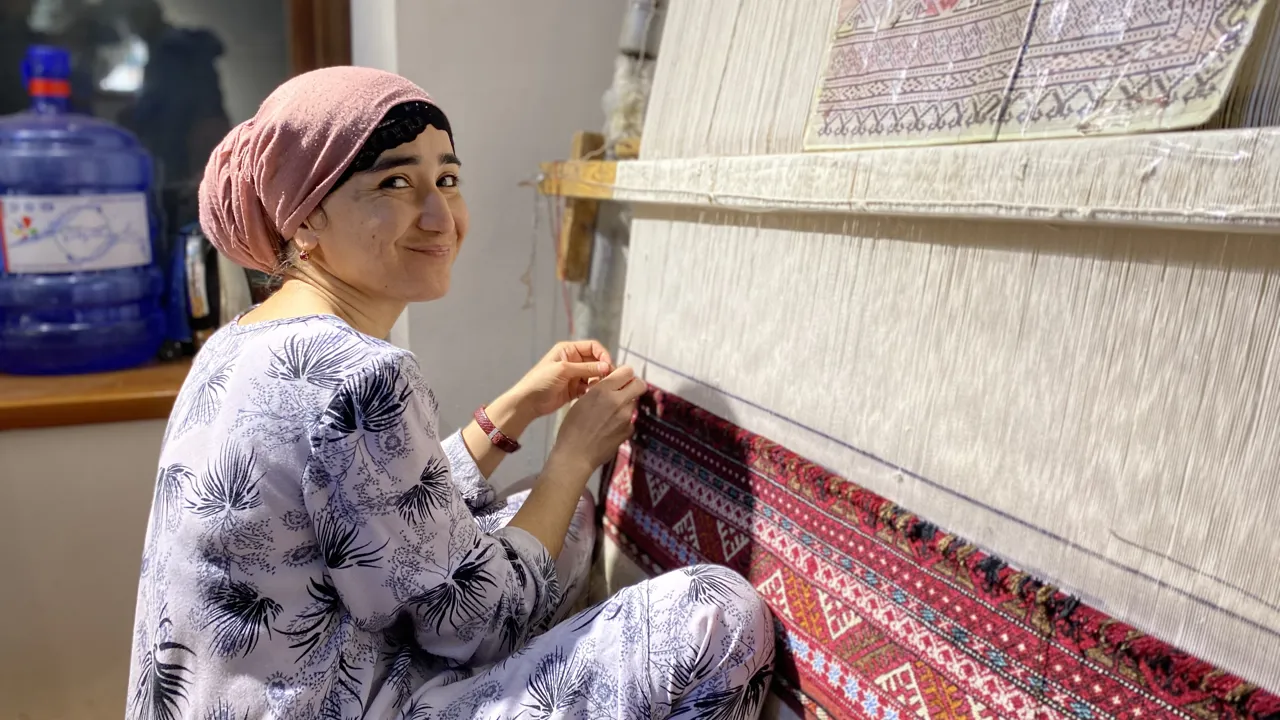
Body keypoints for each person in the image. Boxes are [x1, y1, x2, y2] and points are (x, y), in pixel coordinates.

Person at [126, 66, 774, 720]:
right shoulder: (359, 372)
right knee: (716, 615)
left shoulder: (237, 345)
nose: (440, 216)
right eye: (396, 183)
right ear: (304, 219)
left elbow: (374, 510)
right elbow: (479, 622)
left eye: (448, 180)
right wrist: (573, 456)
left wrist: (508, 414)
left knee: (560, 522)